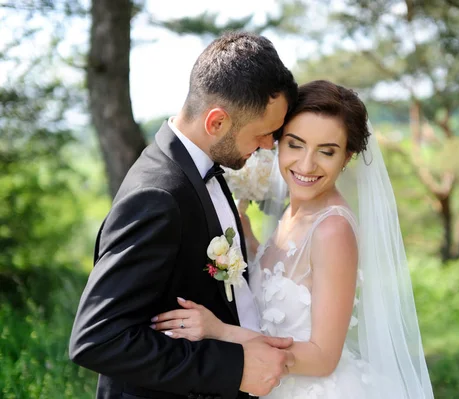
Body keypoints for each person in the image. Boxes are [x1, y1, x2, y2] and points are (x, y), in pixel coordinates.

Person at [151, 80, 435, 398]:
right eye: (295, 144)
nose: (306, 164)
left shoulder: (333, 230)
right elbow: (288, 275)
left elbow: (323, 358)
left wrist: (219, 331)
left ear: (347, 157)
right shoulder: (294, 210)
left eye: (326, 151)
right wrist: (246, 238)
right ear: (277, 142)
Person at [69, 31, 298, 399]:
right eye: (262, 134)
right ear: (217, 123)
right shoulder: (157, 195)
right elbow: (98, 338)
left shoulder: (202, 168)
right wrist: (232, 368)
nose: (269, 146)